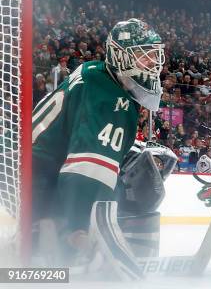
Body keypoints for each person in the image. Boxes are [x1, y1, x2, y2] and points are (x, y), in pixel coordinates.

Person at [31, 18, 165, 276]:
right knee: (119, 184)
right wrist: (79, 229)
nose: (152, 63)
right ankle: (60, 240)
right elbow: (87, 167)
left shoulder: (94, 72)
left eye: (153, 55)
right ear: (119, 56)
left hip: (27, 171)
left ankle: (45, 234)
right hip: (34, 181)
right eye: (142, 56)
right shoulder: (112, 97)